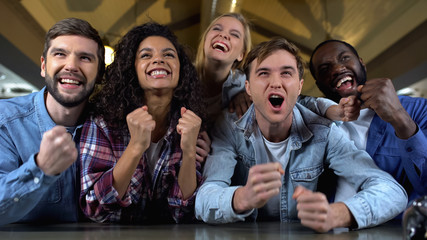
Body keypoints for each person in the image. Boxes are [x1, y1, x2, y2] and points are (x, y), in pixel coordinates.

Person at [195, 37, 407, 232]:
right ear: (248, 88)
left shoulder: (323, 130)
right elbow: (204, 200)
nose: (276, 83)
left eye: (286, 73)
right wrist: (241, 198)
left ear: (299, 87)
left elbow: (391, 191)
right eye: (263, 73)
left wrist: (337, 214)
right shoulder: (229, 127)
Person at [79, 22, 206, 224]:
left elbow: (185, 212)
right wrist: (136, 147)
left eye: (169, 55)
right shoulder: (102, 123)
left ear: (181, 69)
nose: (159, 60)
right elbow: (94, 208)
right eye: (146, 55)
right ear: (132, 68)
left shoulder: (190, 124)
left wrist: (189, 151)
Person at [0, 18, 104, 225]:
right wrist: (41, 168)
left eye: (85, 58)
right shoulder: (5, 120)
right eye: (60, 54)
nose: (71, 66)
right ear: (44, 65)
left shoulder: (111, 128)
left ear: (99, 73)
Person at [309, 39, 426, 205]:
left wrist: (399, 116)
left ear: (361, 64)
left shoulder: (418, 110)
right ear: (319, 84)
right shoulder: (312, 125)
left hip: (394, 229)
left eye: (344, 58)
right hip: (329, 228)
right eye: (324, 69)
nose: (337, 69)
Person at [195, 12, 252, 123]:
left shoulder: (247, 86)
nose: (224, 35)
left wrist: (248, 95)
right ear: (205, 40)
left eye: (235, 34)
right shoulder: (179, 75)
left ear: (242, 55)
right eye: (217, 29)